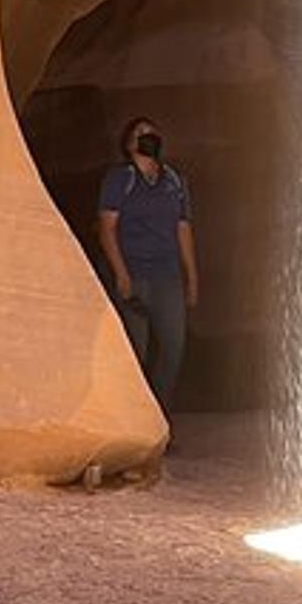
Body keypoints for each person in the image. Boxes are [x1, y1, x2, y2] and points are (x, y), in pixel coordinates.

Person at [97, 117, 199, 408]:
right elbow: (107, 228)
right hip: (135, 273)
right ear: (129, 145)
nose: (148, 136)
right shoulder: (121, 179)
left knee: (173, 348)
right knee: (136, 353)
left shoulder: (174, 181)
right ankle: (134, 419)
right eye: (140, 133)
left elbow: (183, 228)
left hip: (167, 276)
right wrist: (121, 275)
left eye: (152, 132)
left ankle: (157, 417)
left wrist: (192, 277)